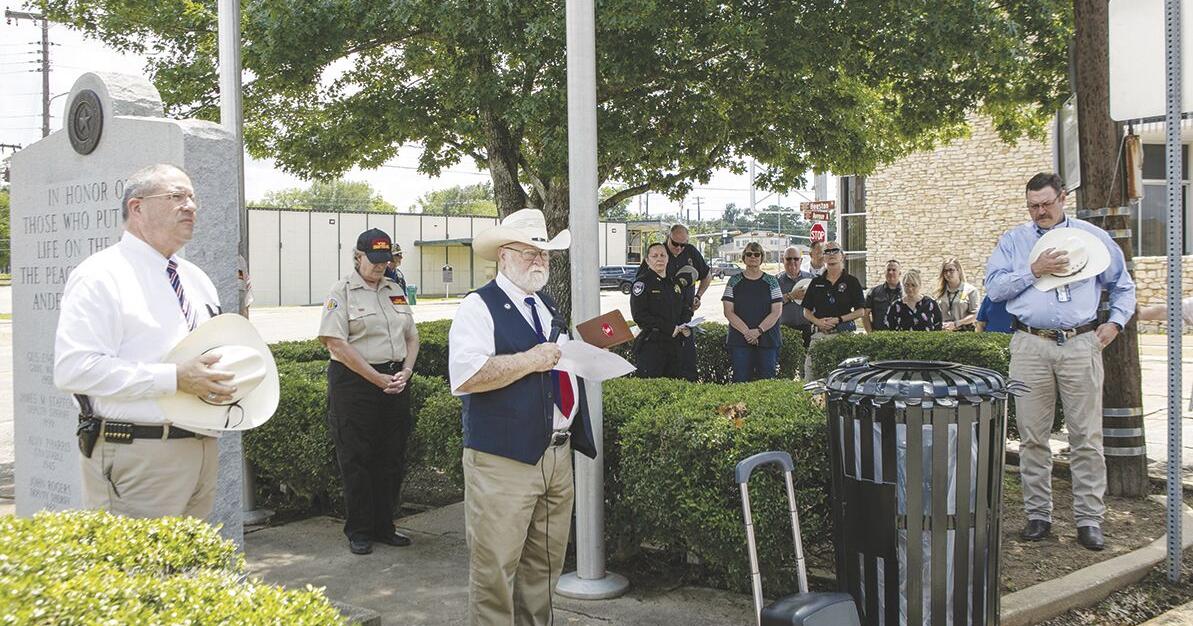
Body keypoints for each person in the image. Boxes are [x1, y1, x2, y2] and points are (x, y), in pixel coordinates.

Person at [54, 163, 233, 519]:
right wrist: (175, 378)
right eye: (176, 196)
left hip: (200, 448)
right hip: (138, 452)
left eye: (192, 198)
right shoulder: (101, 276)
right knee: (138, 559)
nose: (190, 206)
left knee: (192, 557)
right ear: (136, 208)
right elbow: (74, 369)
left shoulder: (195, 278)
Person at [448, 208, 598, 626]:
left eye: (544, 254)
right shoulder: (478, 306)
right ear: (503, 255)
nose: (539, 261)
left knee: (543, 570)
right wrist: (531, 359)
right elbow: (467, 376)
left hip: (557, 455)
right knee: (494, 572)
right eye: (529, 252)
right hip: (503, 461)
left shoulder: (546, 304)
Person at [986, 172, 1135, 552]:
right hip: (1030, 344)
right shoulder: (1014, 241)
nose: (1040, 212)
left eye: (1046, 204)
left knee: (1086, 437)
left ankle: (1089, 520)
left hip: (1080, 343)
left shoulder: (1091, 238)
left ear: (1063, 198)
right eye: (1032, 206)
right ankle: (1038, 516)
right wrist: (1034, 270)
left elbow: (1123, 285)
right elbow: (995, 289)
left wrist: (1115, 323)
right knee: (1032, 438)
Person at [318, 228, 421, 555]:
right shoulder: (342, 291)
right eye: (373, 260)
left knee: (392, 457)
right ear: (357, 257)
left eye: (384, 260)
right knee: (357, 458)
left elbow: (412, 336)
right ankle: (360, 530)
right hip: (355, 383)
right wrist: (376, 378)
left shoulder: (395, 290)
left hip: (395, 380)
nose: (380, 266)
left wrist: (406, 371)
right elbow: (335, 343)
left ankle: (384, 526)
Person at [801, 240, 866, 378]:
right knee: (811, 378)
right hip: (819, 336)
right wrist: (818, 322)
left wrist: (838, 319)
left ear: (842, 255)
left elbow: (861, 311)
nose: (831, 254)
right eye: (827, 251)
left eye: (835, 250)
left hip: (844, 336)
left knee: (843, 379)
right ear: (823, 257)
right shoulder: (816, 282)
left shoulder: (852, 281)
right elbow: (806, 311)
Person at [722, 241, 784, 381]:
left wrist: (758, 331)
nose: (753, 257)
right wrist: (747, 332)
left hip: (768, 340)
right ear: (744, 257)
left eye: (757, 254)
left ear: (762, 257)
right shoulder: (733, 281)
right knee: (740, 381)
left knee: (767, 383)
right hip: (739, 340)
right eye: (749, 254)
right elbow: (728, 311)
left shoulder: (772, 281)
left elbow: (776, 311)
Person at [630, 243, 690, 378]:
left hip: (674, 345)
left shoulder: (674, 283)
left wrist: (685, 324)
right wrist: (669, 328)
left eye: (663, 255)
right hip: (652, 346)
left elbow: (684, 307)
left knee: (674, 386)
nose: (659, 259)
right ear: (647, 260)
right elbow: (640, 316)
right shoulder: (642, 284)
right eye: (655, 256)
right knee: (652, 386)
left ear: (668, 259)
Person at [665, 224, 710, 380]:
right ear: (668, 237)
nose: (679, 248)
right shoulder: (659, 252)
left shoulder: (691, 252)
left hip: (685, 313)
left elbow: (706, 275)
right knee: (666, 363)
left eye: (683, 244)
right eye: (675, 243)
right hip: (663, 316)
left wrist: (698, 296)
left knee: (687, 360)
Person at [776, 246, 815, 347]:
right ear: (783, 260)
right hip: (784, 330)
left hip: (808, 329)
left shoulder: (812, 279)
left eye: (796, 259)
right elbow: (769, 304)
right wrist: (791, 295)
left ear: (801, 261)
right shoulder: (775, 281)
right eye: (788, 259)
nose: (792, 262)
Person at [935, 257, 979, 331]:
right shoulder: (939, 292)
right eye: (945, 271)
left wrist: (956, 323)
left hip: (964, 333)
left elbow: (975, 315)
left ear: (959, 271)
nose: (948, 273)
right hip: (943, 333)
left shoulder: (971, 290)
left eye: (951, 270)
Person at [863, 259, 903, 332]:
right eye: (888, 270)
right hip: (879, 335)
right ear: (885, 272)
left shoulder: (905, 293)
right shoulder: (874, 292)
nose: (890, 272)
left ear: (899, 273)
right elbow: (865, 314)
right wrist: (870, 333)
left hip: (901, 335)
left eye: (894, 270)